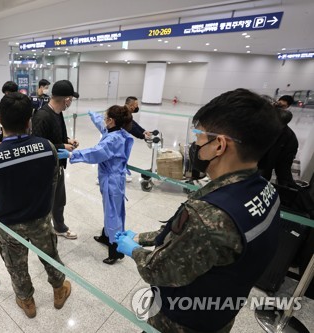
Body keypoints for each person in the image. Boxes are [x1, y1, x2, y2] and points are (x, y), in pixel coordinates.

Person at [115, 89, 283, 333]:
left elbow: (158, 270)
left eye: (199, 138)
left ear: (219, 145)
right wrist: (145, 237)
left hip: (180, 322)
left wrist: (134, 250)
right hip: (219, 315)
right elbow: (203, 245)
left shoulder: (208, 215)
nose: (194, 146)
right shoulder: (266, 191)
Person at [0, 92, 71, 319]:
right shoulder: (48, 148)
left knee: (16, 266)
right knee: (50, 255)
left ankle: (27, 301)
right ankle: (58, 291)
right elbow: (54, 182)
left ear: (0, 122)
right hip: (41, 219)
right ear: (29, 121)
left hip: (9, 225)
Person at [59, 105, 134, 264]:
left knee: (113, 213)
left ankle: (116, 250)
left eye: (106, 116)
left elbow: (96, 153)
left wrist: (73, 154)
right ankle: (107, 236)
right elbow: (101, 124)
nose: (104, 119)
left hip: (113, 180)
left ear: (111, 121)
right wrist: (92, 112)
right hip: (109, 177)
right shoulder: (115, 130)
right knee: (109, 210)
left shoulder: (113, 140)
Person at [32, 80, 79, 240]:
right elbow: (38, 144)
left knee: (59, 200)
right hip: (46, 168)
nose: (70, 103)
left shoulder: (57, 113)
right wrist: (62, 145)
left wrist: (67, 140)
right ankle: (44, 232)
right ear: (66, 99)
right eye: (71, 99)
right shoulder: (42, 116)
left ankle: (59, 226)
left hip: (57, 165)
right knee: (46, 202)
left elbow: (54, 136)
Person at [259, 95, 299, 187]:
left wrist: (288, 189)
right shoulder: (249, 125)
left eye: (282, 107)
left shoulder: (289, 138)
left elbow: (284, 171)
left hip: (263, 169)